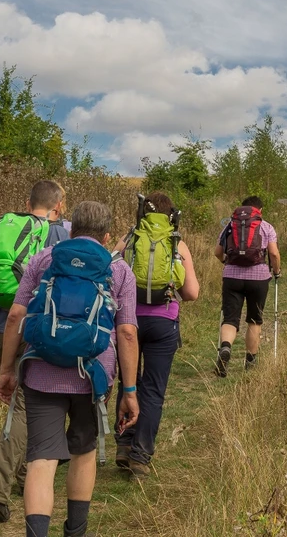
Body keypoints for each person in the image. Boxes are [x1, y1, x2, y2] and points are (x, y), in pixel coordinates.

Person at [0, 201, 140, 537]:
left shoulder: (44, 259)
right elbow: (128, 332)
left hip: (40, 370)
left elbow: (16, 316)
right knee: (84, 451)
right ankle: (75, 532)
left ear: (72, 230)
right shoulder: (119, 270)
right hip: (93, 376)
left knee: (42, 458)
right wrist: (130, 391)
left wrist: (7, 369)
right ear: (106, 236)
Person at [0, 180, 69, 523]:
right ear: (60, 205)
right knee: (26, 405)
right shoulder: (60, 234)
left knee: (22, 401)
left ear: (28, 202)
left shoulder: (1, 229)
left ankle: (26, 473)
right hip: (32, 328)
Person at [112, 192, 200, 478]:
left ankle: (124, 445)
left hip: (127, 322)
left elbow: (108, 279)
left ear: (141, 214)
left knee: (129, 381)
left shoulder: (127, 241)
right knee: (153, 389)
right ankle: (141, 456)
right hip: (164, 323)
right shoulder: (178, 244)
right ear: (171, 215)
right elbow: (192, 293)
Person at [214, 196, 281, 377]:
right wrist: (276, 272)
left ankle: (225, 348)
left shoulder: (229, 226)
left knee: (230, 318)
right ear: (260, 210)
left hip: (231, 277)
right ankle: (250, 362)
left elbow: (217, 252)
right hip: (258, 278)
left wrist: (226, 262)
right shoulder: (266, 226)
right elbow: (273, 254)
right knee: (254, 320)